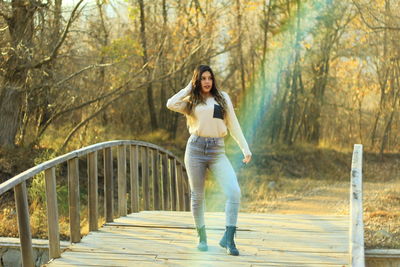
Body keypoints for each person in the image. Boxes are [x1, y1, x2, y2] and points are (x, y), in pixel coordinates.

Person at [166, 65, 252, 256]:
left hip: (217, 151)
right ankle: (202, 237)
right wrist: (189, 88)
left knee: (234, 191)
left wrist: (245, 148)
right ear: (197, 80)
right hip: (195, 149)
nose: (207, 82)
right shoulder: (191, 101)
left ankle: (229, 239)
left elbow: (233, 125)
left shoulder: (222, 98)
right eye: (203, 78)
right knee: (197, 195)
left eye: (209, 78)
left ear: (213, 80)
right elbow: (170, 103)